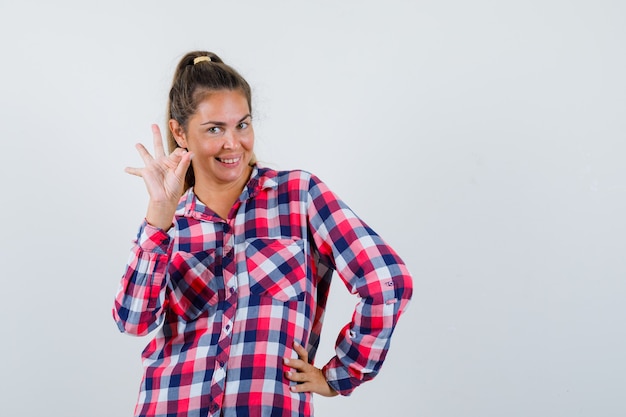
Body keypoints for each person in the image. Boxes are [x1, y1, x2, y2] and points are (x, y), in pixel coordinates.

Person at [113, 50, 413, 417]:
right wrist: (158, 217)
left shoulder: (298, 196)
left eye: (242, 125)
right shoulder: (171, 221)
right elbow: (132, 321)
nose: (232, 143)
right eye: (214, 129)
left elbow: (387, 282)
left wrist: (339, 375)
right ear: (180, 132)